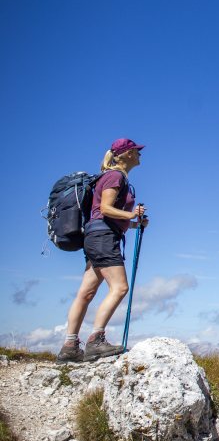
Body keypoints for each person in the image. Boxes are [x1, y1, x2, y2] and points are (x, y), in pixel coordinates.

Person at [57, 138, 149, 363]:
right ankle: (96, 341)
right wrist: (131, 214)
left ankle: (70, 346)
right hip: (104, 238)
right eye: (136, 151)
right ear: (127, 154)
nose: (139, 154)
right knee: (120, 287)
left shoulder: (112, 176)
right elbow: (106, 209)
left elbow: (104, 214)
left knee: (86, 293)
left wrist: (134, 224)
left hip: (96, 236)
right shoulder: (115, 176)